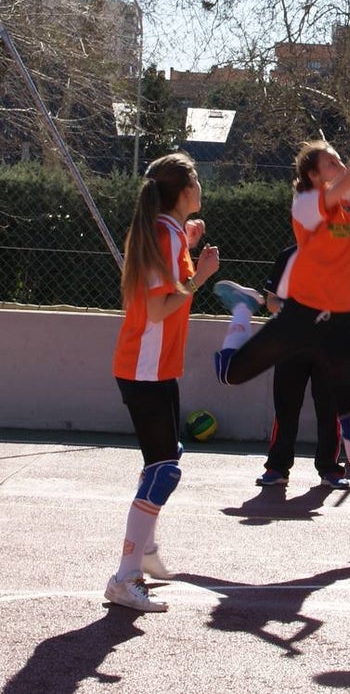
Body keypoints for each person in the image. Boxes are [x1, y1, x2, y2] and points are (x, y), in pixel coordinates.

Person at [212, 99, 350, 538]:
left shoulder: (348, 196)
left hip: (339, 320)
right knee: (232, 375)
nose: (337, 161)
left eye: (338, 157)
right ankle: (243, 309)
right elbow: (343, 187)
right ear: (314, 174)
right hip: (302, 315)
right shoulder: (307, 201)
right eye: (329, 160)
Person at [107, 152, 220, 611]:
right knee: (164, 470)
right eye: (196, 180)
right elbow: (158, 308)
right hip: (143, 367)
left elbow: (165, 284)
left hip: (153, 366)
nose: (201, 187)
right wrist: (203, 278)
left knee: (167, 458)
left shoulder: (169, 232)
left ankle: (146, 553)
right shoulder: (162, 234)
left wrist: (188, 246)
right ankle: (125, 576)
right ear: (184, 191)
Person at [255, 244, 349, 490]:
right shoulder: (287, 255)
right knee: (285, 409)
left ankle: (330, 469)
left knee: (329, 411)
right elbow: (272, 300)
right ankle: (277, 467)